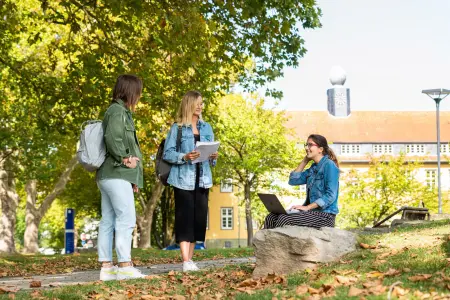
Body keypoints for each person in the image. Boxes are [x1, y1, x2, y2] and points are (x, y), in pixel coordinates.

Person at [96, 74, 145, 281]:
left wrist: (132, 178)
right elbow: (112, 138)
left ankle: (107, 268)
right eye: (138, 92)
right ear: (130, 91)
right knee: (126, 219)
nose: (140, 96)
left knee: (108, 220)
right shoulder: (117, 112)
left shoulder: (119, 112)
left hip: (110, 175)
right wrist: (126, 159)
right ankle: (124, 265)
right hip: (116, 173)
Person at [163, 90, 218, 272]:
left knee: (198, 221)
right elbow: (168, 153)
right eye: (198, 103)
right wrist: (185, 156)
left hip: (203, 179)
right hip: (182, 180)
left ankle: (190, 260)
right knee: (184, 220)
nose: (201, 106)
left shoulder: (207, 127)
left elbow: (212, 159)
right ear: (189, 104)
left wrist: (213, 156)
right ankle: (185, 260)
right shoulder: (177, 128)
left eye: (202, 103)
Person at [264, 134, 340, 229]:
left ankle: (278, 243)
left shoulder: (329, 165)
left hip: (325, 216)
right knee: (271, 217)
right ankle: (268, 243)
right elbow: (293, 180)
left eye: (310, 145)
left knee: (284, 219)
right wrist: (305, 161)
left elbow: (330, 196)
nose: (307, 148)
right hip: (312, 213)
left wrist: (307, 207)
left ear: (320, 149)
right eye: (306, 145)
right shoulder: (313, 169)